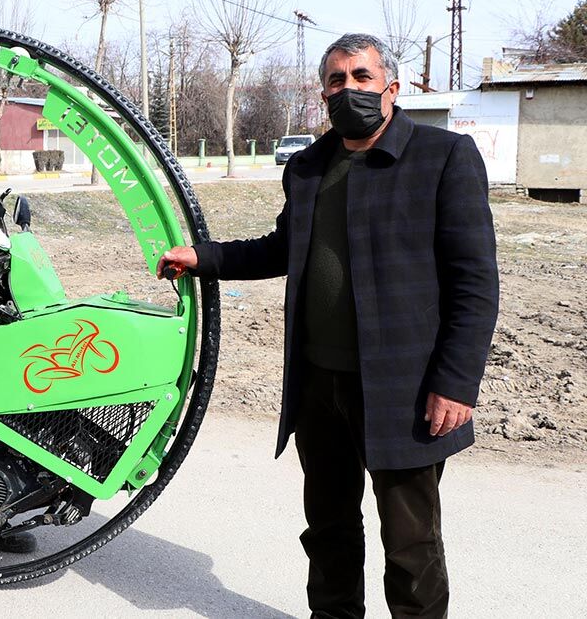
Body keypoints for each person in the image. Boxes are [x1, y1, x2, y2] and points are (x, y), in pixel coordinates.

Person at [158, 33, 498, 618]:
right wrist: (205, 258)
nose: (349, 89)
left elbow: (475, 283)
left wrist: (457, 382)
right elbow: (285, 248)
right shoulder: (310, 166)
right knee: (329, 531)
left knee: (411, 545)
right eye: (337, 81)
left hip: (404, 389)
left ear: (391, 87)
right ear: (323, 94)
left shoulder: (443, 157)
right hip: (320, 386)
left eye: (361, 77)